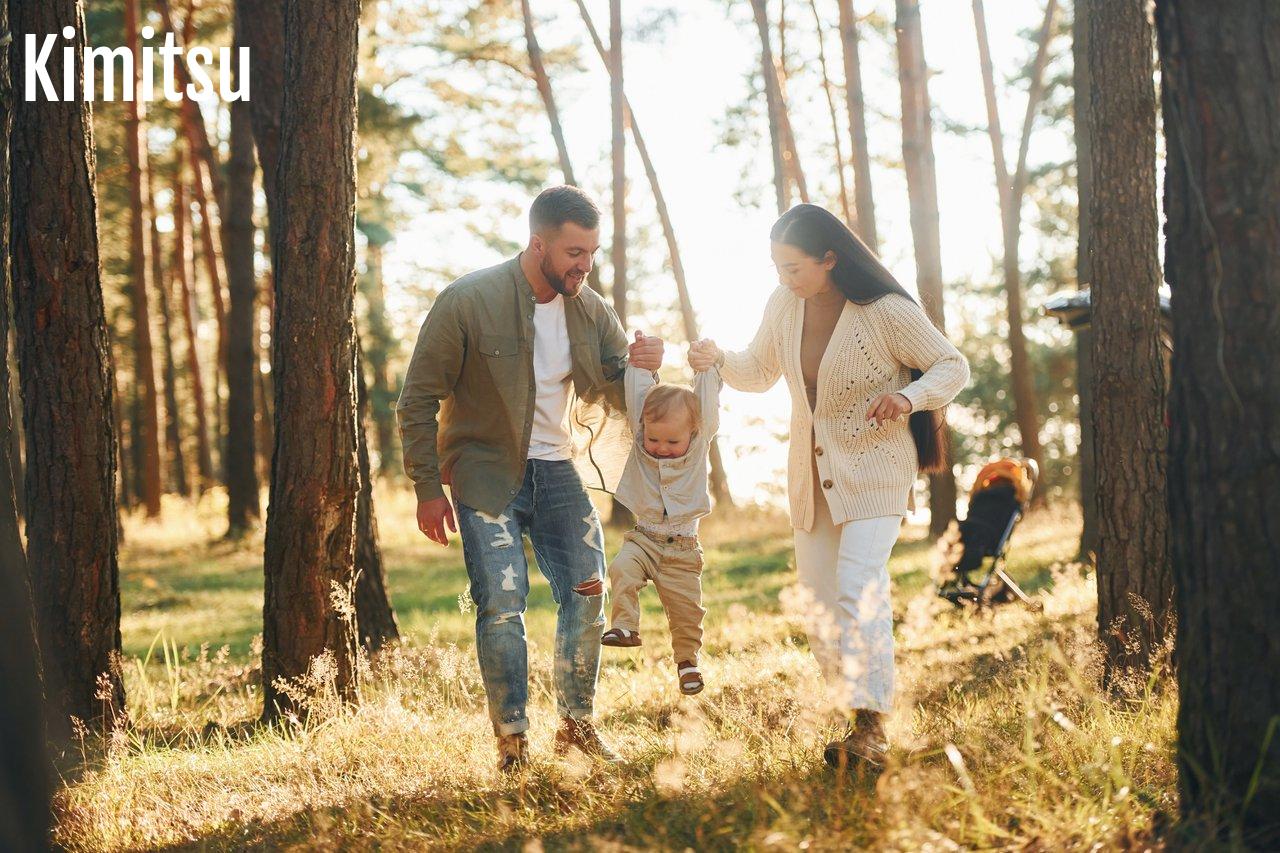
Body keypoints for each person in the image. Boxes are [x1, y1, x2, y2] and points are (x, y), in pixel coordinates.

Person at [689, 204, 969, 771]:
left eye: (793, 267)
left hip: (876, 472)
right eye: (776, 267)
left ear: (830, 259)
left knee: (857, 586)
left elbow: (952, 365)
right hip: (811, 479)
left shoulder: (884, 312)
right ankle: (853, 717)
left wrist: (908, 398)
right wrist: (717, 358)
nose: (783, 278)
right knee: (819, 604)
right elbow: (758, 372)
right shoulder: (782, 305)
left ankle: (873, 729)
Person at [397, 186, 664, 773]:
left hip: (556, 468)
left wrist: (649, 366)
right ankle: (513, 743)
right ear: (538, 243)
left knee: (589, 592)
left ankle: (576, 726)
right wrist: (425, 488)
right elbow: (417, 399)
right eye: (573, 252)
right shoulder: (468, 300)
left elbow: (622, 385)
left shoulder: (590, 308)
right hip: (485, 472)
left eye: (591, 253)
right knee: (501, 604)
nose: (583, 265)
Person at [601, 351, 722, 695]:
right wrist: (640, 366)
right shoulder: (642, 444)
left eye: (672, 441)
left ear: (693, 433)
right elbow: (639, 400)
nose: (661, 448)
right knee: (621, 568)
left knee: (687, 612)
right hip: (644, 539)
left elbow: (708, 408)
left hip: (683, 550)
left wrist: (706, 370)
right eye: (655, 439)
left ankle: (687, 663)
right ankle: (625, 627)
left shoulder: (699, 445)